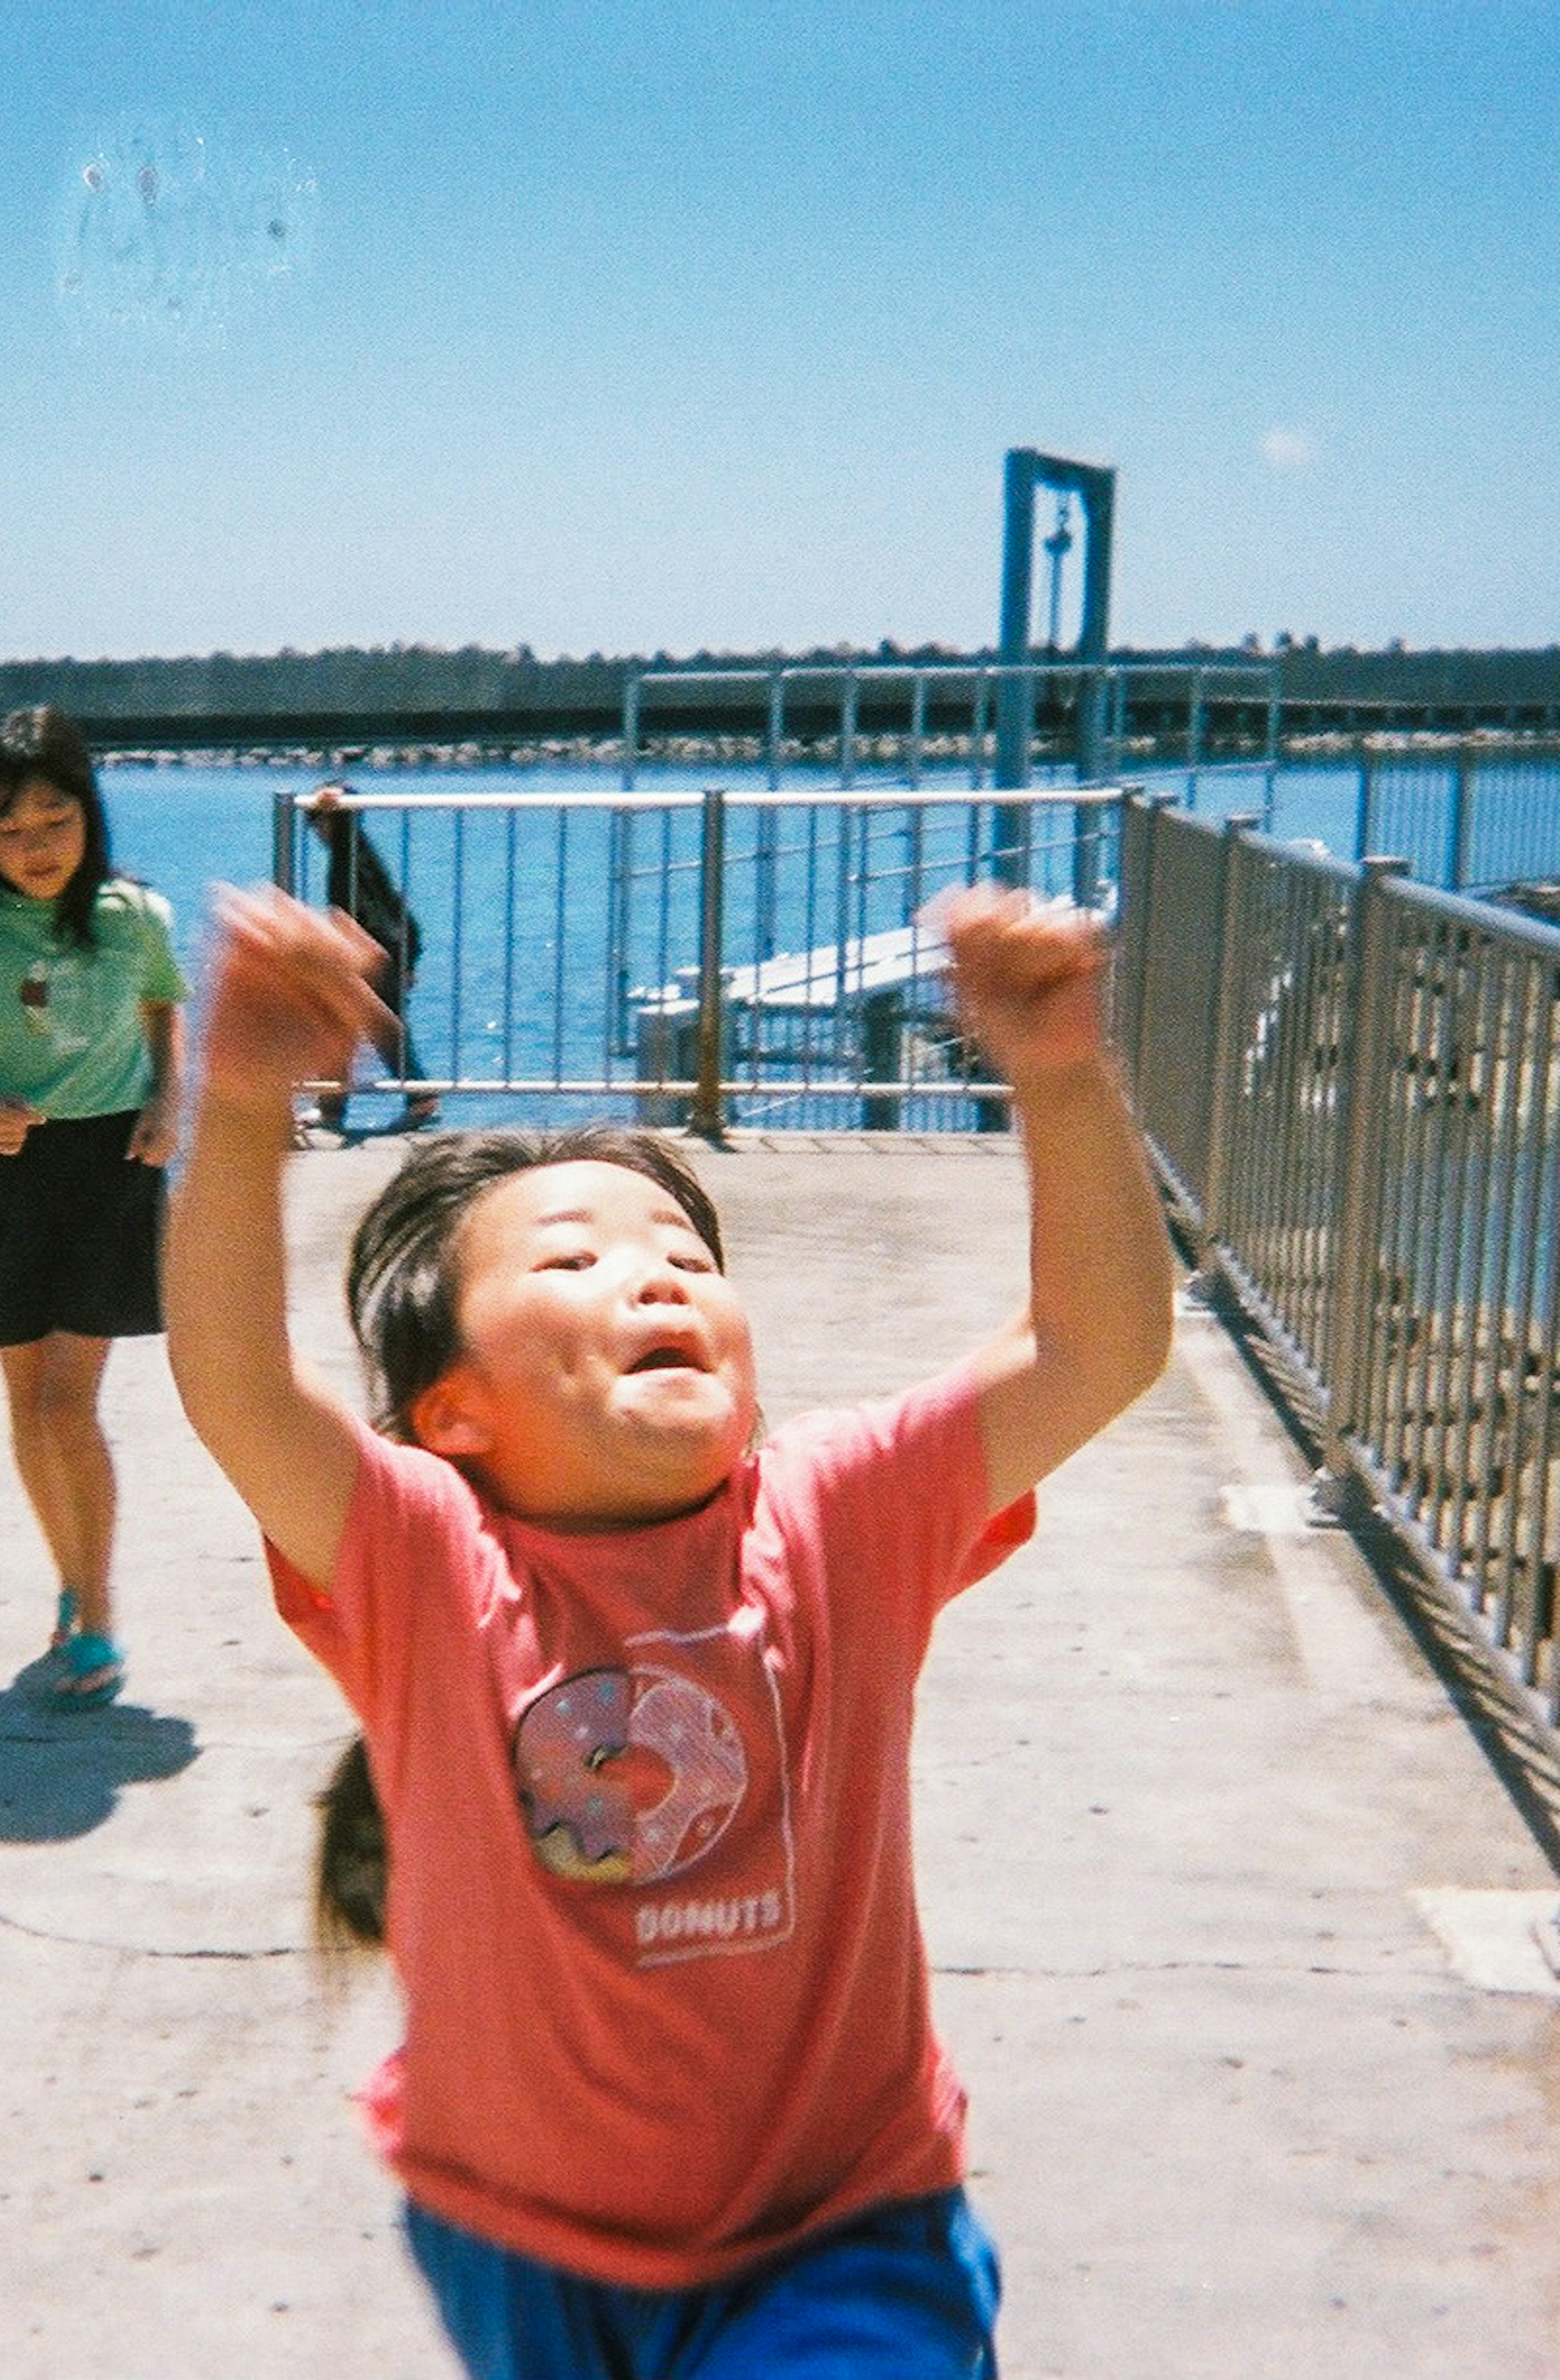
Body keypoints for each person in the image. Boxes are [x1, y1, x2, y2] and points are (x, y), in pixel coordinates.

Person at [163, 880, 1173, 2378]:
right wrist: (239, 1108)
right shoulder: (428, 1565)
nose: (654, 1274)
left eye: (690, 1260)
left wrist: (1065, 1076)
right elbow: (237, 1384)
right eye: (570, 1265)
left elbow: (1101, 1346)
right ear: (452, 1412)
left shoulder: (840, 1518)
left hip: (843, 2230)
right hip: (512, 2232)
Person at [0, 705, 187, 1704]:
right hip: (9, 1173)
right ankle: (72, 1587)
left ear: (90, 812)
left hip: (112, 1167)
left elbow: (166, 1013)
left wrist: (171, 1103)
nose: (36, 845)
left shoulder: (135, 916)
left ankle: (100, 1613)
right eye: (10, 827)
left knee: (70, 1404)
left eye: (54, 819)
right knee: (26, 1407)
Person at [301, 781, 441, 1137]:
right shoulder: (356, 856)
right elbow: (400, 908)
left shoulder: (350, 854)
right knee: (355, 1026)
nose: (315, 830)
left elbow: (379, 907)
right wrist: (411, 959)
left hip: (374, 953)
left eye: (316, 820)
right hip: (387, 950)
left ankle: (418, 1098)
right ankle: (332, 1107)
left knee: (370, 1028)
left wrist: (339, 806)